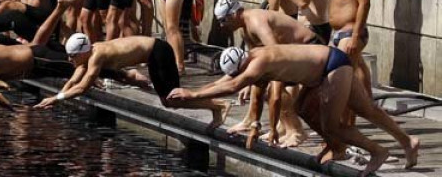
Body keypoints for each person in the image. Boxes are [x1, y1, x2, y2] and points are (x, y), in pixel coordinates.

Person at [168, 45, 419, 174]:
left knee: (332, 123)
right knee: (311, 109)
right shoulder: (251, 58)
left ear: (242, 63)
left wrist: (194, 93)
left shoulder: (259, 63)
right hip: (324, 67)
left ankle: (377, 151)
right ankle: (407, 141)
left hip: (331, 66)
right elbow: (227, 81)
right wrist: (194, 92)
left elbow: (233, 84)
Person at [34, 34, 231, 129]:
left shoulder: (96, 56)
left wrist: (58, 98)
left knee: (172, 99)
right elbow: (75, 79)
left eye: (72, 56)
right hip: (154, 54)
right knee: (170, 100)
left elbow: (83, 87)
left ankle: (219, 105)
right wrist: (54, 97)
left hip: (159, 52)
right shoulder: (90, 54)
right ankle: (215, 106)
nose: (70, 60)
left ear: (82, 52)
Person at [213, 0, 316, 147]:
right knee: (258, 84)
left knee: (273, 90)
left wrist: (274, 85)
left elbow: (276, 54)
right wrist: (248, 83)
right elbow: (253, 61)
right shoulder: (244, 29)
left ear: (233, 14)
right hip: (290, 52)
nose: (222, 25)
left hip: (309, 49)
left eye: (223, 20)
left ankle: (296, 130)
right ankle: (278, 127)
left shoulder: (255, 21)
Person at [319, 0, 374, 103]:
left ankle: (347, 125)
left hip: (350, 33)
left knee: (343, 84)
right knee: (344, 78)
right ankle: (366, 108)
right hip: (336, 34)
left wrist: (356, 36)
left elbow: (364, 3)